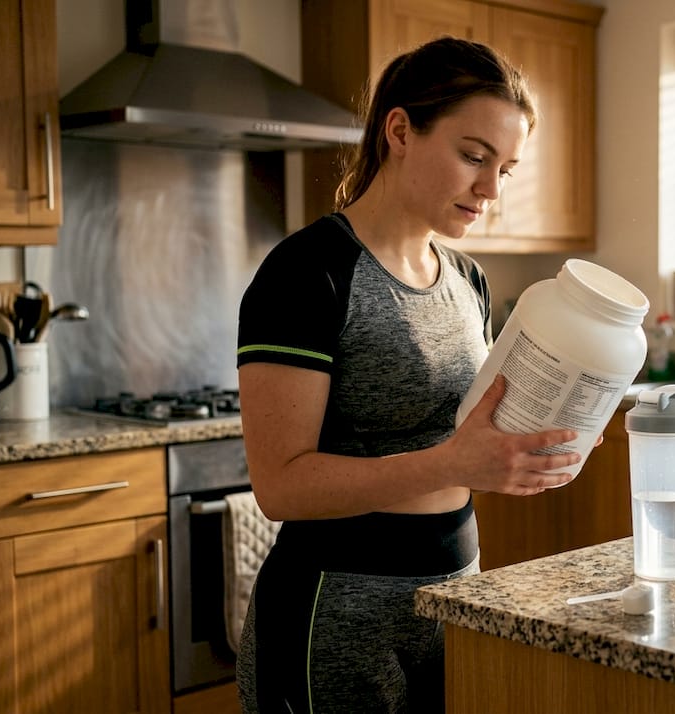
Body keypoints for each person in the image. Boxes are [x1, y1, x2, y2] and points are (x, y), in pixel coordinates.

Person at [234, 37, 579, 713]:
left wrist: (538, 440)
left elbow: (464, 439)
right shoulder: (309, 273)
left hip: (455, 595)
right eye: (473, 156)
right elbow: (280, 485)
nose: (489, 188)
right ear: (399, 130)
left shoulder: (466, 279)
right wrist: (455, 462)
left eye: (504, 169)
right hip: (335, 615)